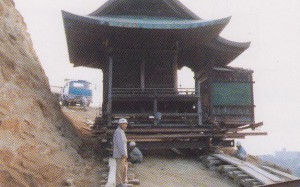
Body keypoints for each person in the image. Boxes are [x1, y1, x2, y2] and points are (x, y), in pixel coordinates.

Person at [113, 118, 128, 187]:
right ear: (120, 125)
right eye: (124, 124)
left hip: (122, 154)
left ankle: (123, 182)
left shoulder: (121, 131)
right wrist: (123, 154)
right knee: (119, 169)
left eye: (126, 124)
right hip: (120, 155)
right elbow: (120, 144)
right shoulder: (118, 132)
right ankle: (119, 184)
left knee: (123, 168)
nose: (125, 125)